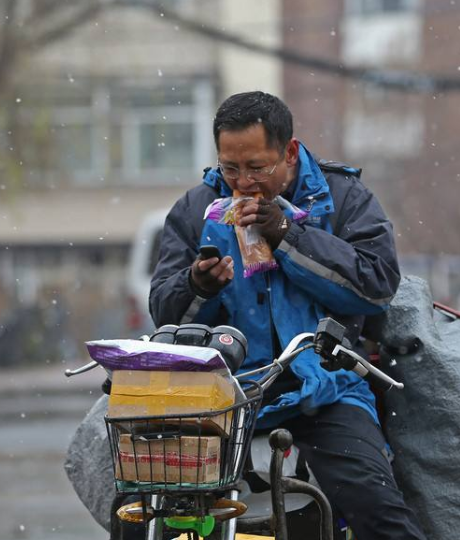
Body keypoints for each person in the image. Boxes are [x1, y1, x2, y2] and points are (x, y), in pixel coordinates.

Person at [150, 91, 426, 539]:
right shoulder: (195, 209)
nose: (244, 183)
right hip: (225, 397)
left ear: (289, 152)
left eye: (258, 168)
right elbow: (163, 310)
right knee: (155, 505)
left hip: (325, 387)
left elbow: (376, 287)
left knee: (376, 508)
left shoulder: (342, 197)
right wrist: (197, 287)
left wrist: (287, 236)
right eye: (230, 168)